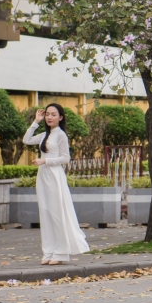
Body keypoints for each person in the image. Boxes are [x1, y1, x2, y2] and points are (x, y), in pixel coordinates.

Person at [23, 104, 90, 263]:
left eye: (53, 114)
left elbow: (65, 159)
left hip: (54, 175)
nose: (49, 117)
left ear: (60, 117)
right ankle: (48, 252)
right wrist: (36, 122)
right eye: (47, 114)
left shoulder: (61, 135)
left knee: (56, 213)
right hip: (43, 175)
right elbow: (26, 140)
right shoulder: (45, 134)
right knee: (45, 212)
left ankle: (61, 253)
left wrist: (45, 160)